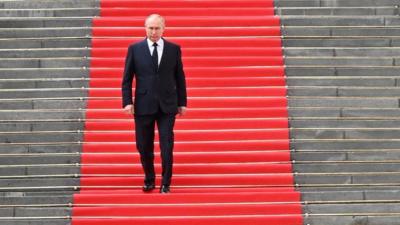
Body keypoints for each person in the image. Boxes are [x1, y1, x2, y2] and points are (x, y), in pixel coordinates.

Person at [121, 14, 187, 194]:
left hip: (167, 105)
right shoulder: (135, 49)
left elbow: (179, 77)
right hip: (143, 105)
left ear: (164, 28)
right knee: (143, 145)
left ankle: (166, 183)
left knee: (167, 144)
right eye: (150, 28)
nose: (154, 32)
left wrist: (182, 102)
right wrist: (127, 102)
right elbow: (127, 79)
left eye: (157, 28)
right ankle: (149, 178)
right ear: (145, 28)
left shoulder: (174, 49)